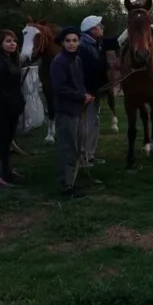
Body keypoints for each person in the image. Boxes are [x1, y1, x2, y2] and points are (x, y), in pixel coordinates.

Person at [50, 27, 94, 198]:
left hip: (77, 109)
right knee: (68, 148)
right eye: (68, 41)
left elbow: (79, 83)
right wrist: (80, 96)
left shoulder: (77, 60)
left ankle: (71, 181)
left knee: (75, 147)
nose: (71, 44)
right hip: (65, 110)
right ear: (62, 42)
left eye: (75, 40)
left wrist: (86, 94)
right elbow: (59, 88)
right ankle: (66, 187)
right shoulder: (59, 62)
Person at [0, 29, 25, 189]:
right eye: (8, 41)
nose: (12, 44)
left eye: (14, 41)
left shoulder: (13, 60)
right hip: (0, 108)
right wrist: (9, 101)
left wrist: (19, 102)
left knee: (7, 141)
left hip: (12, 108)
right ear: (0, 43)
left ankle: (7, 171)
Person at [78, 15, 108, 167]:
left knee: (94, 122)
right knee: (86, 124)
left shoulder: (95, 44)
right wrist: (85, 92)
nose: (102, 28)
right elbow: (80, 73)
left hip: (94, 92)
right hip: (87, 94)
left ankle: (90, 154)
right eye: (100, 26)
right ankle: (83, 156)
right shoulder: (83, 47)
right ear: (92, 30)